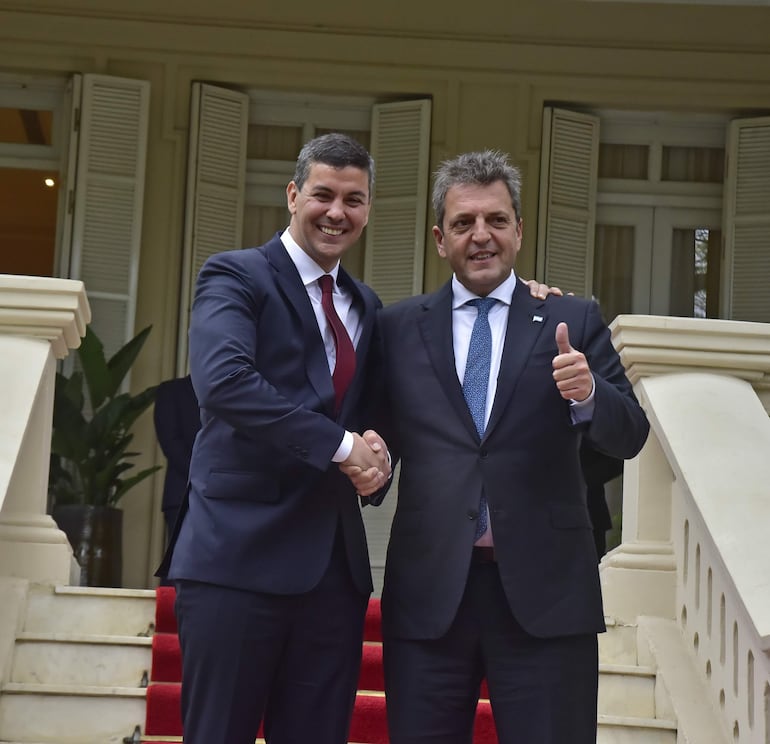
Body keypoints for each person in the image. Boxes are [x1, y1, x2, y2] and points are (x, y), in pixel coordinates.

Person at [357, 150, 650, 744]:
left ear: (519, 229)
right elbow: (377, 438)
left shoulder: (571, 316)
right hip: (431, 595)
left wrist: (590, 391)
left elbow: (631, 435)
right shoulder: (397, 327)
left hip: (547, 596)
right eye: (464, 223)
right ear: (441, 239)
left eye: (495, 219)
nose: (481, 235)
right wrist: (371, 462)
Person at [156, 133, 393, 744]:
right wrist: (343, 448)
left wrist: (377, 453)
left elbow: (365, 413)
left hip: (332, 575)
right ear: (293, 195)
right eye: (323, 194)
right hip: (237, 560)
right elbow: (226, 383)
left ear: (368, 209)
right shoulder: (236, 275)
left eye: (354, 200)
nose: (337, 212)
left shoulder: (365, 304)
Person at [153, 374, 200, 542]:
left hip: (229, 501)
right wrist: (208, 476)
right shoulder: (172, 391)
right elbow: (171, 444)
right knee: (182, 564)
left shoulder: (231, 393)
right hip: (183, 496)